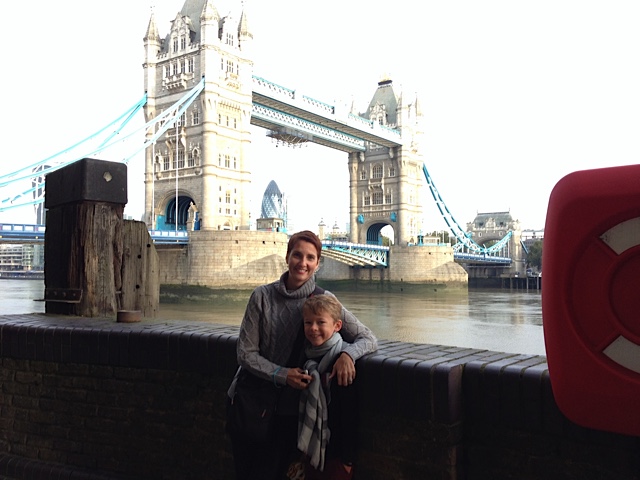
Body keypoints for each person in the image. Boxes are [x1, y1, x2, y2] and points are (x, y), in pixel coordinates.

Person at [226, 230, 378, 480]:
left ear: (318, 263)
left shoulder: (325, 300)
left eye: (310, 258)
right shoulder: (261, 297)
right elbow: (245, 353)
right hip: (251, 404)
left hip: (290, 413)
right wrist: (282, 374)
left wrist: (348, 355)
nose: (302, 263)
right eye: (297, 255)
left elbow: (368, 337)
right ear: (287, 257)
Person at [298, 294, 360, 480]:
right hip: (311, 451)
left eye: (321, 322)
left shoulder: (343, 361)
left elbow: (350, 414)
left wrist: (347, 460)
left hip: (336, 455)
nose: (313, 328)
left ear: (337, 326)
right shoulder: (306, 357)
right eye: (308, 323)